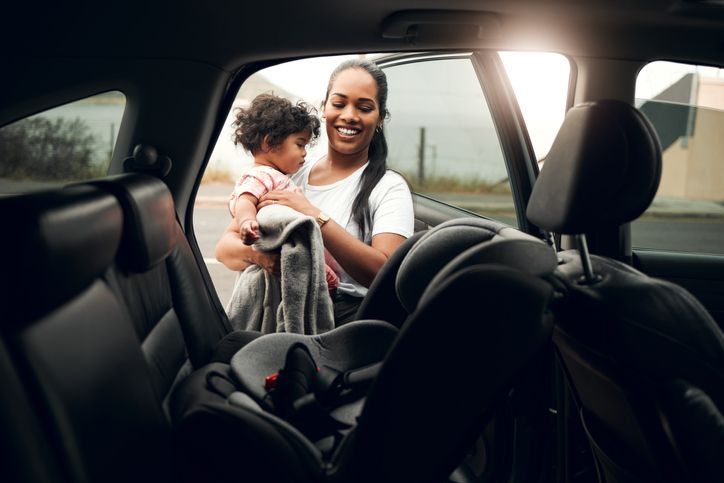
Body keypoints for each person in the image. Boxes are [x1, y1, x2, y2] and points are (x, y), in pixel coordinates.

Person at [215, 58, 414, 325]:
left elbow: (385, 274)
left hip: (347, 320)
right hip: (283, 307)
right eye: (339, 103)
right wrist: (264, 259)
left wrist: (312, 214)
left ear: (379, 119)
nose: (350, 115)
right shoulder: (287, 173)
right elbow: (225, 249)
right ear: (324, 108)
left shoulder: (389, 187)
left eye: (364, 107)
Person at [226, 93, 338, 293]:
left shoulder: (277, 176)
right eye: (300, 144)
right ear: (269, 143)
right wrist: (246, 221)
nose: (305, 152)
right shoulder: (261, 175)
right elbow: (245, 200)